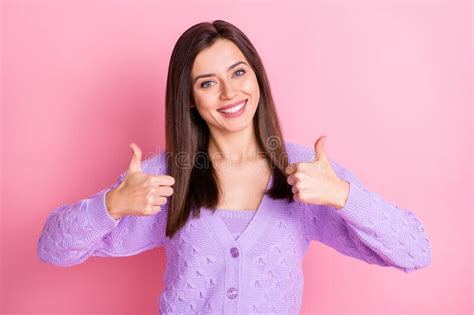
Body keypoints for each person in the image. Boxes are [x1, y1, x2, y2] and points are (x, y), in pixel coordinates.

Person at [37, 20, 432, 314]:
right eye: (207, 83)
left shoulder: (308, 176)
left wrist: (345, 196)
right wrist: (112, 204)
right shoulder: (164, 179)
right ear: (189, 98)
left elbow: (415, 252)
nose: (230, 93)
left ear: (256, 76)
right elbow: (52, 249)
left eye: (239, 72)